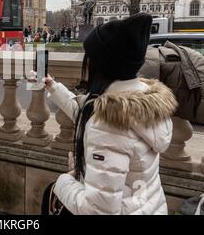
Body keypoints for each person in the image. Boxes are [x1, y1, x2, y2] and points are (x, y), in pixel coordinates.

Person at [43, 13, 178, 215]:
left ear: (101, 64)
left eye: (89, 57)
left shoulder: (109, 124)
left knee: (49, 193)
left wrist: (65, 181)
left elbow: (98, 211)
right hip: (149, 207)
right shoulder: (139, 97)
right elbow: (86, 112)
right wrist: (54, 88)